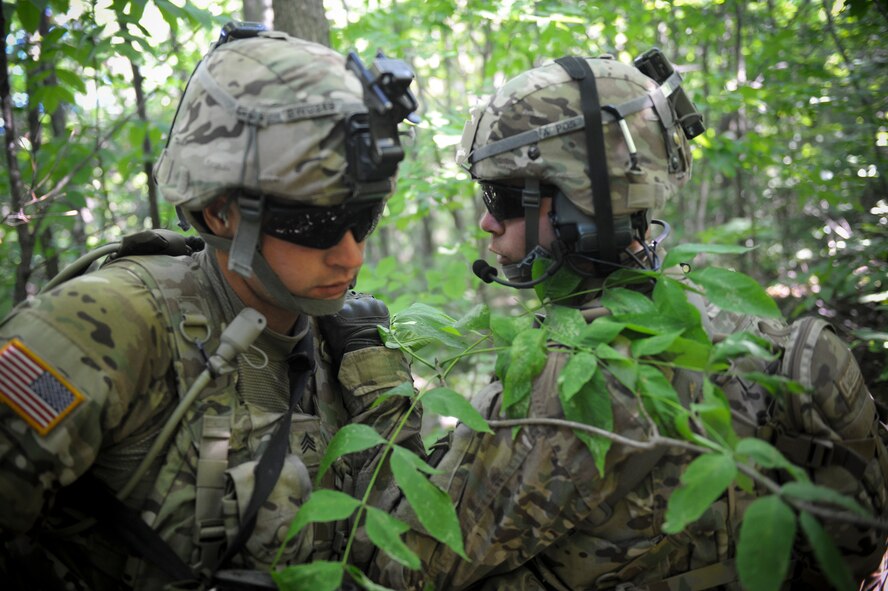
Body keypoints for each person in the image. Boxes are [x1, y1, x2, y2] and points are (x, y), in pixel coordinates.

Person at [370, 52, 888, 590]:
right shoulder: (749, 330)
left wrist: (372, 383)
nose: (486, 222)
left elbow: (401, 565)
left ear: (579, 202)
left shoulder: (563, 384)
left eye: (500, 197)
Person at [0, 23, 423, 590]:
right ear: (221, 213)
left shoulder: (345, 340)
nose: (350, 254)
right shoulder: (106, 323)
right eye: (316, 223)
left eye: (363, 217)